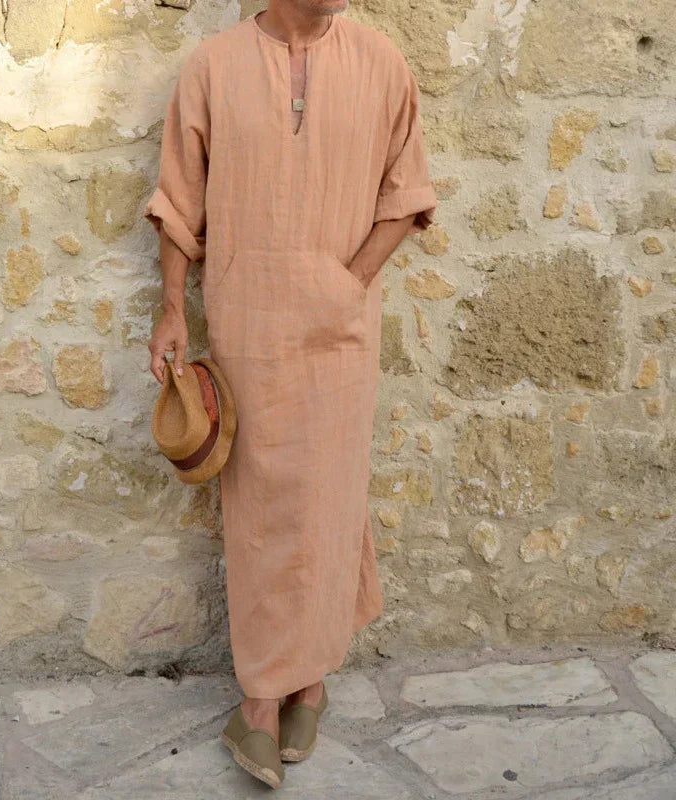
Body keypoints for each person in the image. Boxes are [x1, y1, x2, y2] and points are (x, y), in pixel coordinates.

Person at [144, 0, 437, 788]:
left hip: (340, 327)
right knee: (263, 506)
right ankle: (264, 696)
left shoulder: (382, 63)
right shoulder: (213, 65)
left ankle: (309, 678)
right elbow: (179, 200)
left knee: (332, 496)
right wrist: (173, 308)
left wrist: (349, 285)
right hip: (248, 323)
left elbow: (405, 194)